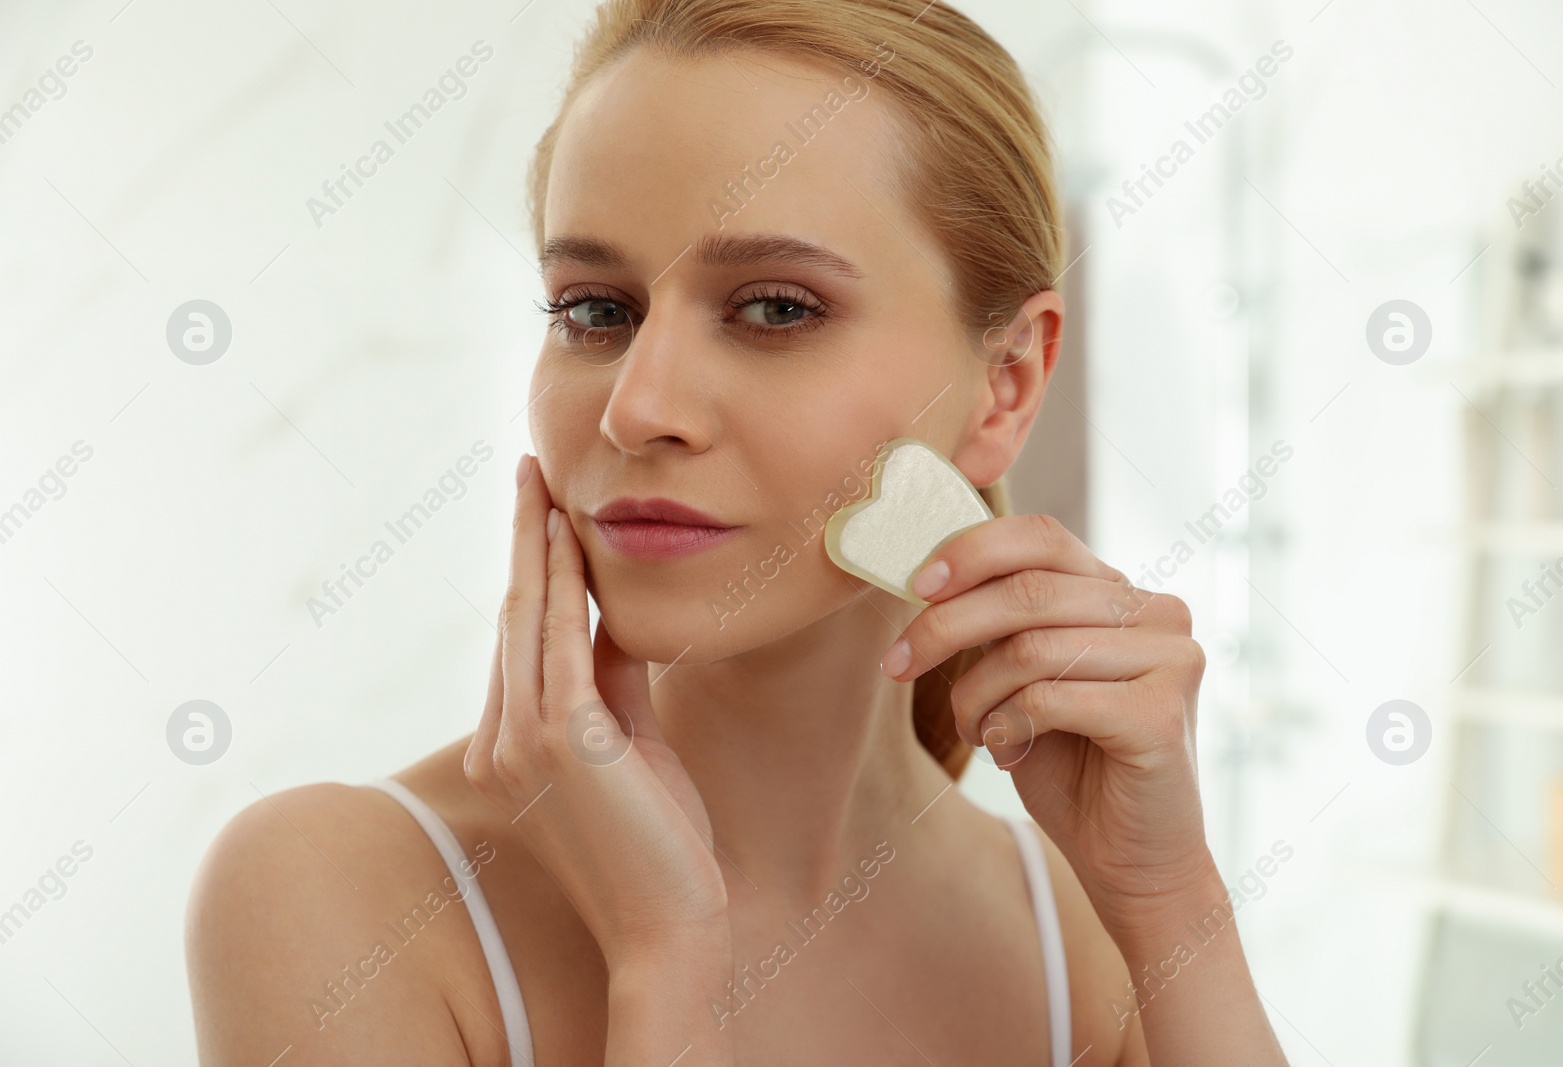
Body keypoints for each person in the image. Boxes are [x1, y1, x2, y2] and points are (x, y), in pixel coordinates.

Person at [185, 1, 1288, 1063]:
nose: (637, 404)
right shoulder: (338, 897)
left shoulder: (1089, 931)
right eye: (594, 311)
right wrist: (666, 959)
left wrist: (1171, 899)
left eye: (774, 308)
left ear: (1003, 387)